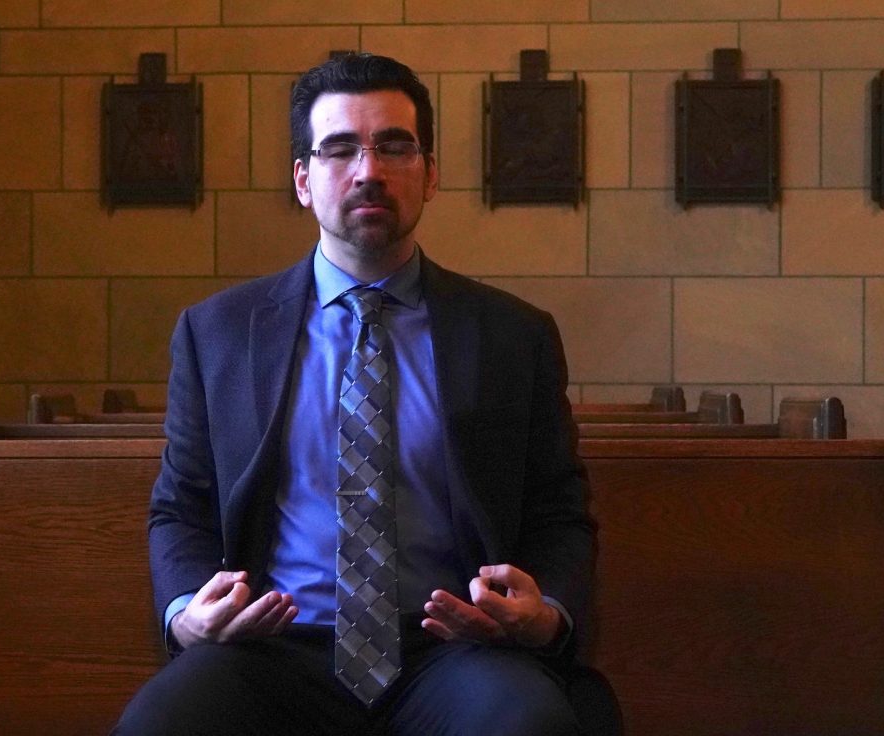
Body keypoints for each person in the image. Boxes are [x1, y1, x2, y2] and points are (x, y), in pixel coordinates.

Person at [115, 53, 597, 735]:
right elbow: (181, 505)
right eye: (340, 148)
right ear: (303, 180)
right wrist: (188, 611)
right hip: (273, 646)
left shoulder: (513, 335)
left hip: (453, 647)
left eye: (394, 146)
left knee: (532, 726)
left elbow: (559, 510)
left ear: (430, 174)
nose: (369, 170)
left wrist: (545, 612)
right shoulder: (218, 332)